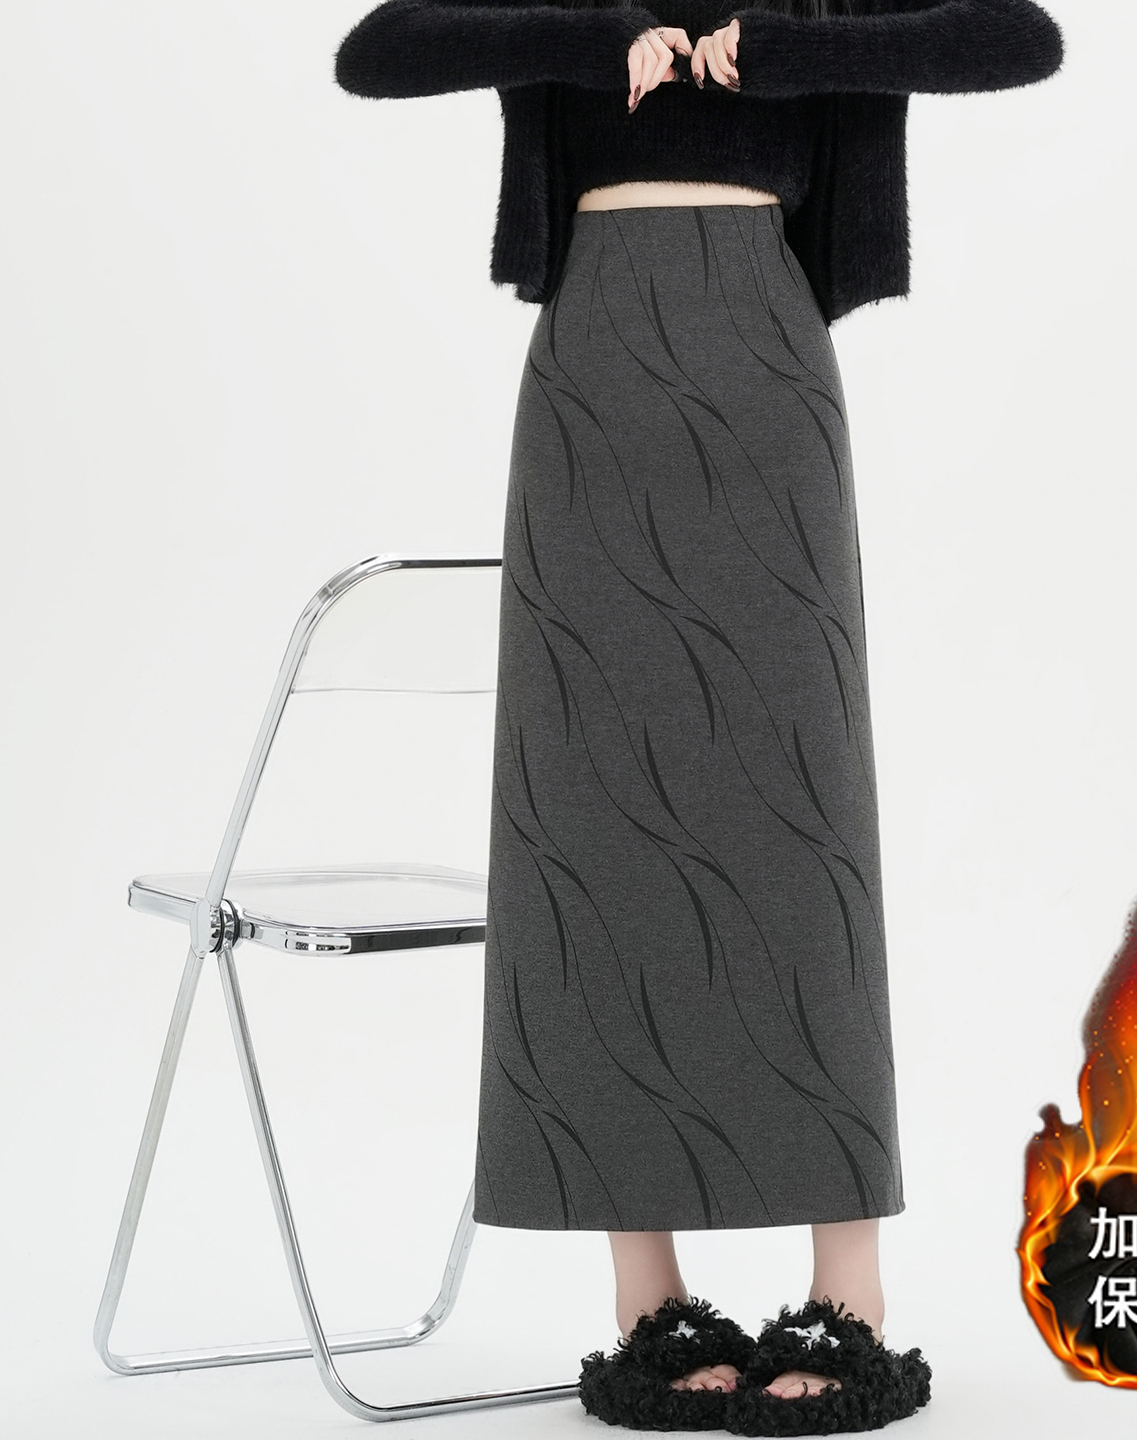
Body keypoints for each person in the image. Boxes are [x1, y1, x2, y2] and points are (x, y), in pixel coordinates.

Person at [333, 1, 1061, 1429]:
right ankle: (646, 1298)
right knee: (598, 809)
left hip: (764, 357)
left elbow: (1016, 38)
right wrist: (593, 37)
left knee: (804, 819)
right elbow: (378, 51)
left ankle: (850, 1292)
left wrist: (784, 50)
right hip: (595, 365)